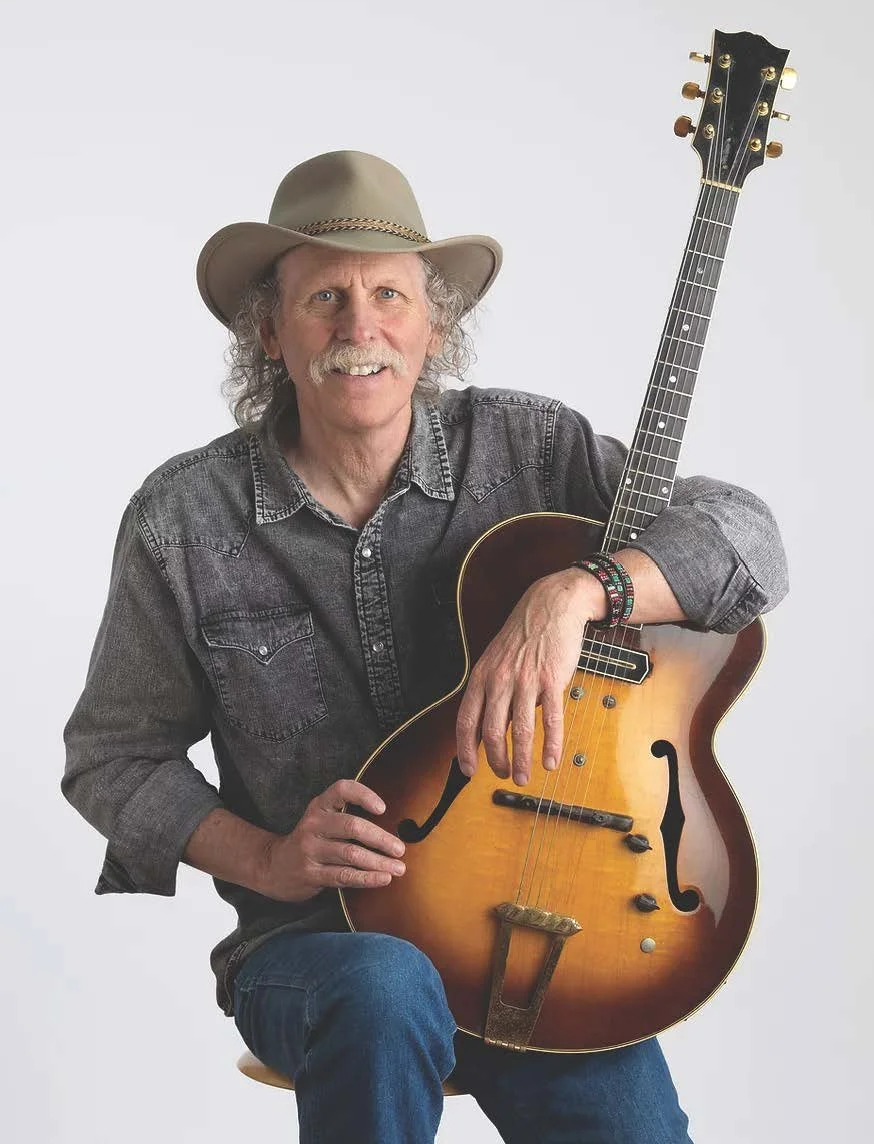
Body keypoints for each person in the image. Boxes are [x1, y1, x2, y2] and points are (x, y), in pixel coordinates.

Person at [62, 150, 788, 1144]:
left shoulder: (533, 448)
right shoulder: (181, 519)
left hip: (551, 923)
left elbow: (743, 536)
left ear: (434, 323)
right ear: (269, 331)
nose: (359, 328)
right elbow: (114, 758)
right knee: (385, 982)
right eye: (323, 296)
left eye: (389, 296)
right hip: (317, 942)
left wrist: (581, 587)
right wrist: (269, 856)